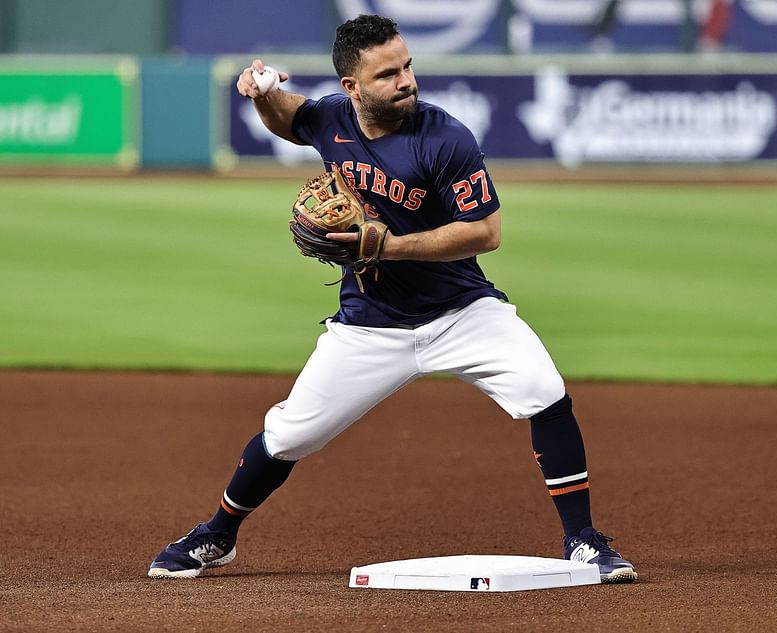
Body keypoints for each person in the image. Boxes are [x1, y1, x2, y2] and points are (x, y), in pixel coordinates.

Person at [148, 14, 637, 584]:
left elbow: (485, 232)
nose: (406, 80)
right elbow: (290, 118)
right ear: (352, 87)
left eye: (407, 66)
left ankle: (582, 541)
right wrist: (263, 94)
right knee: (288, 435)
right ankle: (218, 534)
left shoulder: (444, 136)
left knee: (544, 390)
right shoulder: (332, 118)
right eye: (388, 74)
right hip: (368, 325)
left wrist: (390, 245)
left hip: (462, 313)